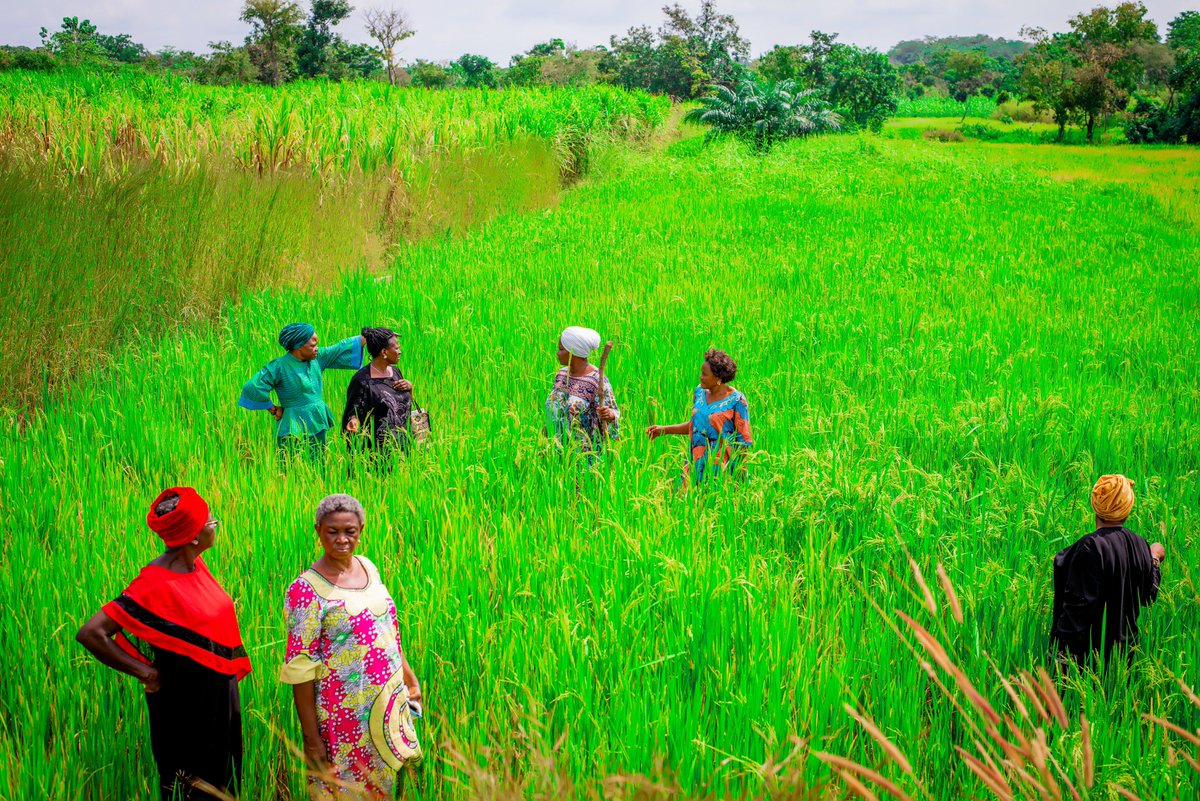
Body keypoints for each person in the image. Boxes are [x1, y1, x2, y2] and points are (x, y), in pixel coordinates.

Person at [76, 488, 251, 801]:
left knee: (221, 782)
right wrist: (147, 674)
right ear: (193, 537)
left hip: (217, 694)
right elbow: (91, 633)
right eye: (211, 521)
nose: (215, 525)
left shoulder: (195, 567)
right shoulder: (154, 583)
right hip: (186, 703)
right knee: (191, 785)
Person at [281, 494, 423, 800]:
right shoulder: (305, 589)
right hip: (344, 717)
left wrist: (408, 677)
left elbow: (387, 632)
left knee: (389, 784)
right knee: (346, 790)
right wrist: (311, 738)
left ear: (361, 529)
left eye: (350, 531)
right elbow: (300, 668)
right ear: (318, 530)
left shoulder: (368, 567)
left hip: (388, 705)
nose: (341, 539)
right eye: (332, 531)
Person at [1050, 474, 1166, 666]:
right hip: (1123, 660)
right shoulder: (1139, 545)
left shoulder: (1089, 548)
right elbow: (1149, 595)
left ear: (1096, 507)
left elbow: (1074, 615)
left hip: (1086, 665)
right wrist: (1153, 558)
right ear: (1127, 510)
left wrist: (1059, 661)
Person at [239, 323, 365, 457]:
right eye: (312, 346)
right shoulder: (278, 367)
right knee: (292, 467)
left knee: (318, 465)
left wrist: (371, 336)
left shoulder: (318, 358)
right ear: (298, 346)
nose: (316, 348)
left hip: (316, 421)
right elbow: (253, 387)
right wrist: (273, 409)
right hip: (292, 427)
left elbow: (340, 348)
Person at [646, 349, 752, 486]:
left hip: (719, 468)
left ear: (718, 378)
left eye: (705, 375)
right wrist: (664, 430)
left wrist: (741, 474)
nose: (701, 377)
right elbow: (696, 425)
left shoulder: (737, 401)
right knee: (686, 503)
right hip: (694, 463)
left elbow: (743, 441)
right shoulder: (700, 392)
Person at [545, 326, 619, 459]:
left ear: (573, 352)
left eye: (561, 349)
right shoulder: (561, 375)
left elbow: (614, 412)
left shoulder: (596, 380)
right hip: (556, 454)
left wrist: (609, 415)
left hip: (584, 457)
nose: (557, 353)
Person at [342, 327, 414, 455]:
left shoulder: (395, 372)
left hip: (402, 446)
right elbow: (353, 412)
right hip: (377, 454)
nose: (400, 352)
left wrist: (409, 388)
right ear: (384, 352)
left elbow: (403, 407)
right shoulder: (362, 380)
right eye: (396, 348)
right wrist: (353, 421)